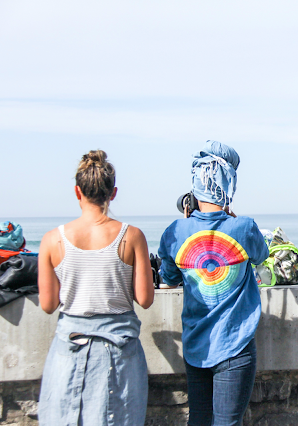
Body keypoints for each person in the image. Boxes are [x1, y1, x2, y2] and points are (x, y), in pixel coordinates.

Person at [37, 150, 154, 425]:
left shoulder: (52, 240)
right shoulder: (132, 236)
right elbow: (145, 299)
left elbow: (48, 304)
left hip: (70, 347)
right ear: (112, 193)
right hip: (120, 350)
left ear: (77, 192)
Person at [158, 140, 269, 426]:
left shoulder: (175, 231)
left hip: (196, 346)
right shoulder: (243, 227)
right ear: (229, 184)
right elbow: (261, 255)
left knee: (198, 420)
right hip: (236, 345)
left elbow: (168, 279)